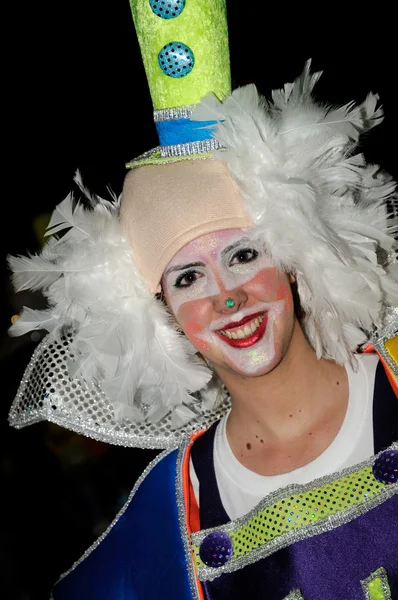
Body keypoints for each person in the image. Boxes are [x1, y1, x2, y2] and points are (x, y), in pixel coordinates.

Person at [7, 0, 398, 598]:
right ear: (159, 312)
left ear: (293, 259)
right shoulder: (169, 517)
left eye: (244, 255)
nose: (229, 299)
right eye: (187, 277)